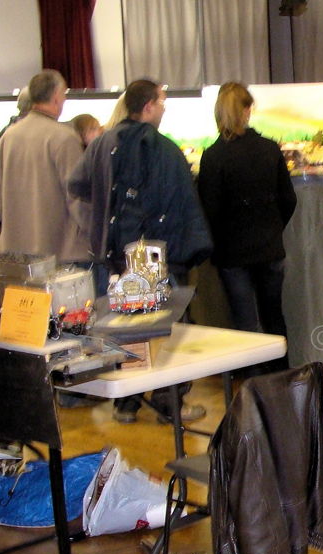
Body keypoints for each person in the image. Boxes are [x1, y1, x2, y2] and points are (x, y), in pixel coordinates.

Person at [68, 79, 213, 424]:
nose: (163, 109)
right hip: (154, 256)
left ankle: (127, 403)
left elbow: (77, 184)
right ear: (148, 106)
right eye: (161, 103)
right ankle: (169, 403)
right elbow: (181, 205)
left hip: (115, 252)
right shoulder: (163, 149)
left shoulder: (102, 144)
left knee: (124, 327)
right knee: (170, 330)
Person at [197, 82, 296, 372]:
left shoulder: (213, 156)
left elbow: (209, 209)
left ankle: (254, 385)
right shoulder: (268, 149)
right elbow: (288, 199)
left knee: (245, 322)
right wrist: (274, 226)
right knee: (274, 316)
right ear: (247, 111)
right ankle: (283, 378)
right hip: (269, 246)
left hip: (232, 252)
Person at [0, 70, 88, 263]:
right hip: (58, 252)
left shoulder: (8, 136)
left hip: (16, 250)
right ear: (56, 97)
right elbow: (77, 197)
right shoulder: (64, 138)